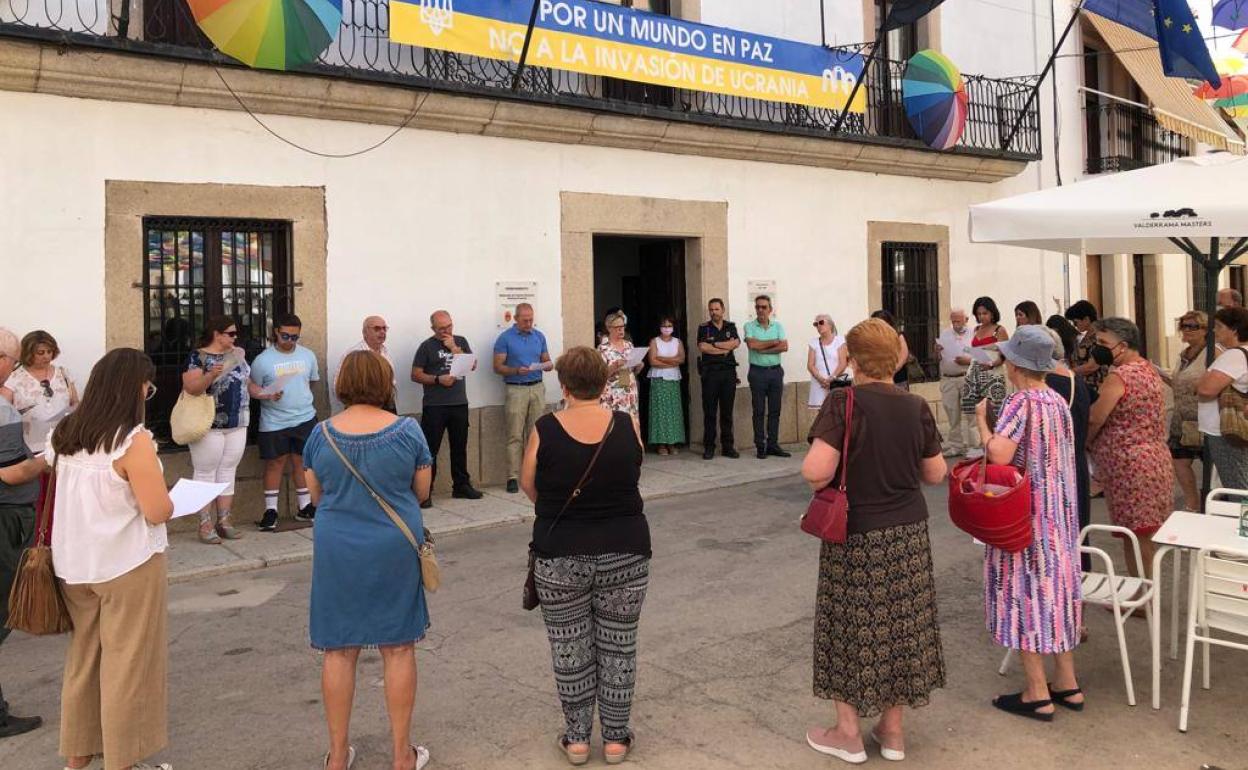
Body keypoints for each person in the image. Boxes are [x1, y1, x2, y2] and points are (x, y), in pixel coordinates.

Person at [801, 318, 946, 764]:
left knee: (849, 626)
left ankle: (848, 733)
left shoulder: (844, 403)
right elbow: (936, 473)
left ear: (857, 361)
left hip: (858, 534)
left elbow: (815, 470)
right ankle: (893, 731)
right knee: (901, 625)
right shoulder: (915, 405)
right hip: (908, 533)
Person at [519, 347, 650, 767]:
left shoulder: (545, 427)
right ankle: (614, 739)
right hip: (625, 551)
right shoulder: (627, 424)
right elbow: (633, 471)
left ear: (564, 384)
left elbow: (527, 483)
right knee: (619, 646)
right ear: (604, 383)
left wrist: (560, 509)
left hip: (560, 554)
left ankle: (577, 740)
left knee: (570, 647)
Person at [303, 350, 433, 770]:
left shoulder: (320, 435)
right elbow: (422, 492)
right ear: (385, 382)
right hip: (393, 543)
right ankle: (401, 754)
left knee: (339, 650)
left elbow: (316, 495)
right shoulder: (408, 432)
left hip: (337, 545)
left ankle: (338, 756)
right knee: (398, 648)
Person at [47, 348, 175, 770]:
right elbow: (156, 510)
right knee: (128, 667)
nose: (147, 392)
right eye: (146, 385)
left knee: (84, 662)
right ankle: (120, 762)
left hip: (74, 565)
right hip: (126, 563)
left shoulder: (66, 432)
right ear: (133, 388)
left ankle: (77, 761)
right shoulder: (132, 441)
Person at [974, 326, 1083, 722]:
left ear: (1016, 363)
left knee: (1026, 595)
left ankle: (1037, 691)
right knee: (1057, 592)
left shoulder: (1022, 402)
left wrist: (982, 422)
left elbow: (1000, 455)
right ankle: (1067, 681)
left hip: (1027, 515)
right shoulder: (1056, 400)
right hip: (1059, 513)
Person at [1087, 318, 1174, 578]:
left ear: (1122, 346)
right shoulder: (1147, 368)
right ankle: (1146, 588)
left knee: (1135, 534)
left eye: (1103, 343)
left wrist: (1085, 442)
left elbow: (1095, 417)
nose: (1098, 348)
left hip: (1130, 466)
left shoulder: (1120, 375)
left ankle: (1141, 592)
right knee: (1146, 532)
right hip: (1153, 459)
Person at [182, 316, 272, 542]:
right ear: (217, 334)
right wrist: (211, 374)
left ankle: (224, 520)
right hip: (209, 423)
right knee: (205, 471)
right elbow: (191, 388)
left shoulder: (238, 355)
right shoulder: (198, 356)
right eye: (231, 334)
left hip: (238, 420)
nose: (235, 337)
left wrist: (264, 393)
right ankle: (204, 523)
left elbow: (246, 383)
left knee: (228, 469)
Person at [0, 327, 42, 739]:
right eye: (12, 361)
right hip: (6, 517)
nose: (13, 370)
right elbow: (9, 474)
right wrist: (47, 460)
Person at [251, 313, 321, 532]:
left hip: (304, 417)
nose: (290, 341)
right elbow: (252, 387)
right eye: (285, 336)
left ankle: (305, 506)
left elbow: (312, 382)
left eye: (294, 337)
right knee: (275, 463)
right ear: (276, 332)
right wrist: (267, 395)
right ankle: (271, 510)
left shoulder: (308, 356)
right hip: (274, 421)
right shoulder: (263, 360)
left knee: (302, 462)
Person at [411, 310, 483, 506]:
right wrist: (436, 379)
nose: (446, 330)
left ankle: (461, 485)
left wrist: (454, 348)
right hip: (435, 405)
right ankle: (425, 491)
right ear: (433, 328)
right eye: (441, 328)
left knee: (459, 447)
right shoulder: (426, 347)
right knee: (429, 450)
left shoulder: (460, 340)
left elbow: (471, 365)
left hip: (459, 402)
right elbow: (415, 374)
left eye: (449, 326)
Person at [1042, 325, 1093, 571]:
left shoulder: (1047, 385)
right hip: (1076, 462)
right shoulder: (1074, 378)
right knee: (1078, 531)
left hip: (1055, 470)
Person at [493, 303, 551, 494]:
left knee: (536, 434)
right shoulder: (504, 338)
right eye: (525, 320)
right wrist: (516, 370)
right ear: (516, 319)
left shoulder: (539, 336)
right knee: (515, 434)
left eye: (531, 319)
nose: (528, 323)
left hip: (536, 386)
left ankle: (535, 473)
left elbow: (546, 359)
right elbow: (497, 366)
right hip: (516, 388)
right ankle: (512, 476)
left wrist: (547, 365)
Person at [1196, 307, 1248, 490]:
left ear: (1234, 330)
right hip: (1239, 427)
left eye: (1218, 326)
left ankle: (1241, 518)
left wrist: (1201, 381)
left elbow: (1206, 389)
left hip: (1226, 429)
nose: (1214, 331)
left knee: (1236, 484)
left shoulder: (1234, 355)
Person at [1163, 312, 1210, 511]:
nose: (1187, 330)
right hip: (1182, 419)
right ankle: (1193, 503)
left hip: (1205, 417)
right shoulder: (1184, 355)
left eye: (1193, 326)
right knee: (1179, 460)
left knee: (1212, 465)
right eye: (1184, 326)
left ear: (1205, 330)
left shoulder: (1212, 352)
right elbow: (1178, 383)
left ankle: (1213, 502)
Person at [5, 330, 79, 453]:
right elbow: (5, 414)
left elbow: (75, 403)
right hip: (27, 448)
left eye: (49, 352)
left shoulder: (63, 373)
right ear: (28, 353)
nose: (46, 356)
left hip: (62, 444)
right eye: (41, 353)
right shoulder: (13, 377)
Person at [744, 295, 790, 459]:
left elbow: (784, 346)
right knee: (759, 410)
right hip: (757, 372)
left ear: (770, 310)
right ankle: (760, 445)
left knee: (775, 410)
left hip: (775, 372)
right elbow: (752, 345)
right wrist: (773, 343)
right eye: (758, 307)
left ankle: (773, 444)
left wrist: (763, 349)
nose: (760, 310)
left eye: (764, 307)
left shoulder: (778, 326)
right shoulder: (749, 326)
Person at [961, 297, 1009, 453]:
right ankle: (978, 447)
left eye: (985, 313)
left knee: (993, 411)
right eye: (979, 314)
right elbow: (972, 350)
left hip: (992, 374)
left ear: (992, 313)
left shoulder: (999, 330)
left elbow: (1005, 353)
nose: (982, 317)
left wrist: (992, 363)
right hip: (975, 373)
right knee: (975, 410)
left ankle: (996, 446)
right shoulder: (975, 330)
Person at [696, 298, 740, 460]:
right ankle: (709, 447)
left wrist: (715, 345)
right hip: (710, 374)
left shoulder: (731, 326)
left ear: (723, 310)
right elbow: (703, 347)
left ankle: (728, 446)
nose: (714, 312)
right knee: (710, 412)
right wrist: (724, 348)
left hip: (728, 374)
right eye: (711, 310)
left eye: (716, 309)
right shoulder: (703, 328)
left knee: (727, 412)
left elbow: (735, 343)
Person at [934, 309, 974, 457]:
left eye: (959, 321)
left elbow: (982, 357)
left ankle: (974, 446)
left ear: (966, 319)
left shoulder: (973, 334)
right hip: (948, 379)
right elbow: (937, 357)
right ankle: (956, 445)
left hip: (966, 377)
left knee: (971, 414)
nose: (956, 324)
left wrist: (968, 360)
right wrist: (936, 352)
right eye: (953, 321)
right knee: (952, 414)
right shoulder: (945, 334)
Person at [646, 316, 686, 454]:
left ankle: (672, 443)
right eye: (664, 325)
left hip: (673, 380)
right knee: (660, 411)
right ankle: (661, 444)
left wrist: (662, 358)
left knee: (673, 411)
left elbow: (681, 359)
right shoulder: (654, 341)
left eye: (669, 325)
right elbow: (652, 361)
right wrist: (671, 361)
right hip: (659, 380)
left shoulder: (678, 342)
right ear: (659, 327)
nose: (667, 328)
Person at [344, 316, 397, 412]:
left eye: (384, 328)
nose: (382, 332)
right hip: (361, 408)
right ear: (365, 332)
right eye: (377, 328)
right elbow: (339, 384)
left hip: (386, 405)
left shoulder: (385, 352)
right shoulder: (353, 354)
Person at [599, 311, 643, 417]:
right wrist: (615, 365)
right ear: (609, 328)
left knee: (630, 424)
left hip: (629, 393)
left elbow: (634, 371)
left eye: (623, 326)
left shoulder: (629, 345)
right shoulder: (603, 349)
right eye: (617, 327)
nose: (621, 330)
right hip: (612, 396)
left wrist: (639, 366)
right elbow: (601, 375)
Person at [807, 314, 850, 412]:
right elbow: (810, 365)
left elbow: (843, 363)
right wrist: (821, 379)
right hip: (820, 384)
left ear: (830, 325)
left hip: (836, 382)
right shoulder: (813, 342)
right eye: (816, 324)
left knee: (838, 412)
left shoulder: (839, 340)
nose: (818, 326)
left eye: (821, 322)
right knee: (822, 414)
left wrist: (831, 379)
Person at [1065, 300, 1107, 397]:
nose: (1075, 326)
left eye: (1076, 322)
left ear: (1086, 319)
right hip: (1084, 388)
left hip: (1096, 389)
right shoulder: (1086, 336)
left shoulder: (1100, 337)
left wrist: (1069, 373)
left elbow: (1092, 366)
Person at [871, 310, 912, 391]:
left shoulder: (898, 336)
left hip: (898, 379)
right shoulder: (874, 339)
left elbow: (903, 356)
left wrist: (891, 372)